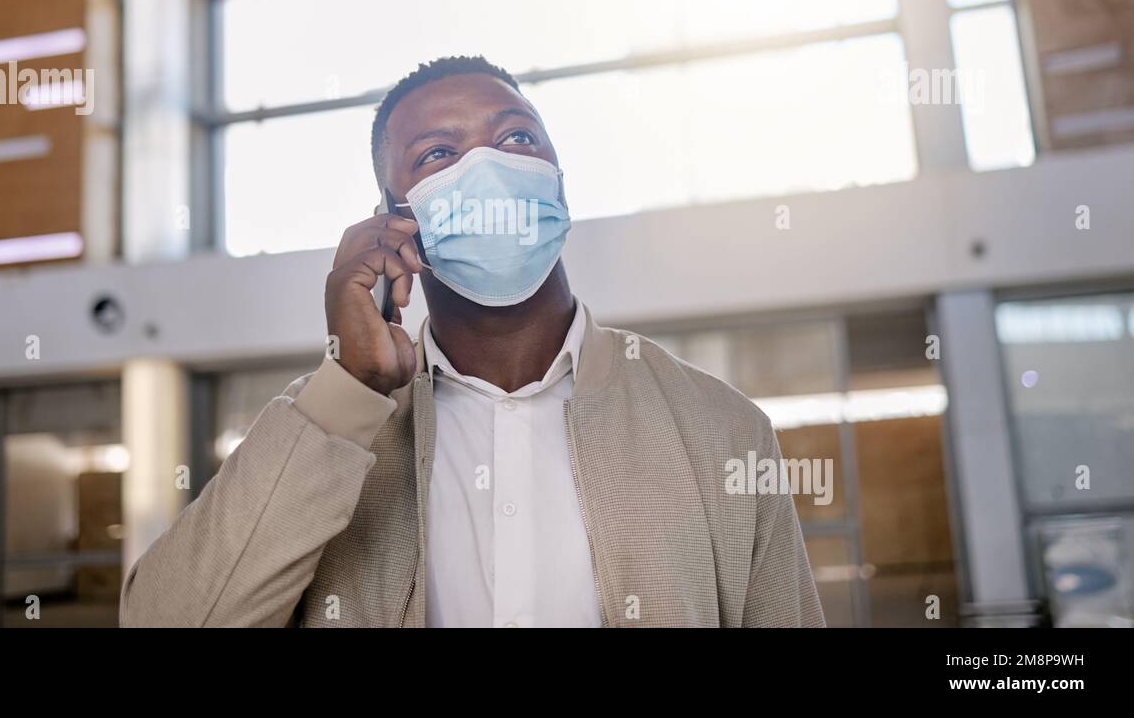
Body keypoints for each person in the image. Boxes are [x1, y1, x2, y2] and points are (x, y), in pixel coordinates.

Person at [120, 55, 824, 627]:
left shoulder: (720, 429)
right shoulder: (332, 431)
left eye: (516, 139)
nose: (488, 170)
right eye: (438, 154)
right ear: (394, 224)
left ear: (559, 186)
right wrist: (347, 393)